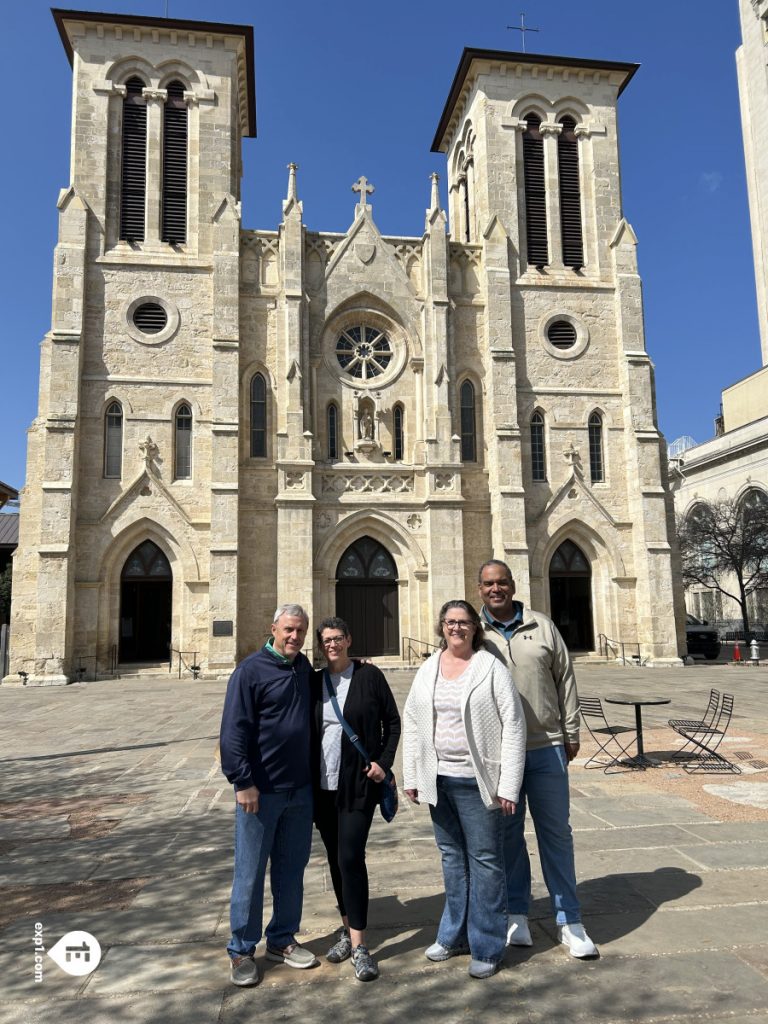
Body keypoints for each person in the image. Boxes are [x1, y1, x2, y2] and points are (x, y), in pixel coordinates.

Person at [477, 559, 598, 959]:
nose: (496, 589)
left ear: (513, 586)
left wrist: (572, 731)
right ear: (480, 589)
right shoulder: (473, 633)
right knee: (508, 838)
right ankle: (517, 914)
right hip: (499, 754)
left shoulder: (542, 626)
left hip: (545, 745)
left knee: (556, 834)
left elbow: (565, 677)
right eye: (489, 584)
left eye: (502, 583)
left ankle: (570, 919)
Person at [402, 600, 526, 979]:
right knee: (452, 858)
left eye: (464, 622)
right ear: (441, 626)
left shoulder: (490, 668)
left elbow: (514, 725)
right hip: (439, 781)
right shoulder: (428, 668)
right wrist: (411, 774)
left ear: (475, 628)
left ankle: (487, 945)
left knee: (486, 861)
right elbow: (412, 720)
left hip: (477, 781)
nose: (456, 628)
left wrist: (508, 785)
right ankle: (454, 935)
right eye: (450, 622)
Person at [220, 604, 319, 987]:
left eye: (300, 631)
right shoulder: (249, 671)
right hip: (260, 792)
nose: (294, 637)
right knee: (249, 873)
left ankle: (281, 939)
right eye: (288, 630)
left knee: (291, 870)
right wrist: (242, 782)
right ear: (273, 628)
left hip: (300, 789)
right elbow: (233, 732)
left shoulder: (302, 668)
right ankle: (242, 949)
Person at [311, 616, 401, 982]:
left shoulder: (369, 676)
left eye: (337, 638)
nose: (332, 644)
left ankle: (360, 945)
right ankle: (347, 931)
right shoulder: (313, 681)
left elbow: (392, 723)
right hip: (321, 786)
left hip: (358, 784)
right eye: (326, 640)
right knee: (334, 859)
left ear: (349, 640)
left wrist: (383, 762)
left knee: (350, 856)